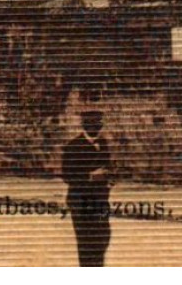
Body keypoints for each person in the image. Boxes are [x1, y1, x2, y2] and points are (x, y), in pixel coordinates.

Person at [62, 109, 113, 267]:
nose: (95, 128)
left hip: (100, 200)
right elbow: (67, 175)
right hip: (80, 200)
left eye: (98, 124)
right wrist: (90, 176)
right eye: (91, 124)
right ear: (84, 125)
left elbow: (107, 166)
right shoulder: (73, 146)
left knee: (103, 237)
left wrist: (109, 179)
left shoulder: (103, 143)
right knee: (86, 242)